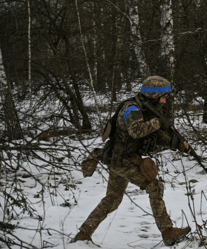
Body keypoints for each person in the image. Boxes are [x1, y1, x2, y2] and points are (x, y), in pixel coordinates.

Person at [72, 76, 191, 246]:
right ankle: (168, 232)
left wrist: (178, 144)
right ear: (153, 96)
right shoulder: (131, 109)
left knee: (112, 199)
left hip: (120, 160)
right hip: (122, 161)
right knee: (155, 187)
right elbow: (136, 131)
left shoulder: (147, 109)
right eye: (163, 96)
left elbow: (155, 136)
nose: (165, 100)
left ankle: (84, 234)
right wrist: (159, 123)